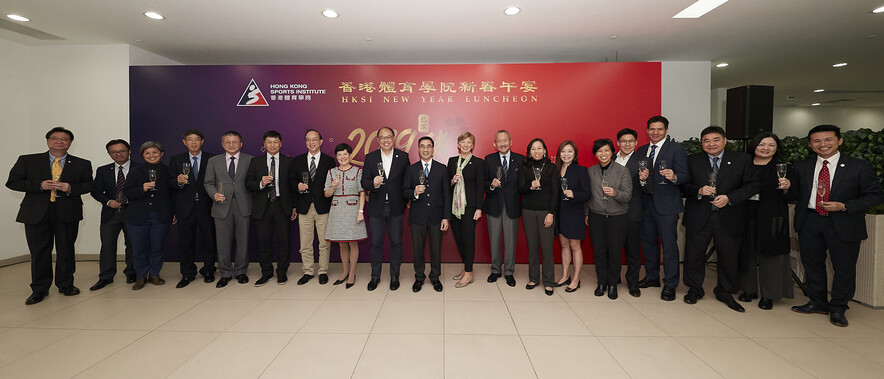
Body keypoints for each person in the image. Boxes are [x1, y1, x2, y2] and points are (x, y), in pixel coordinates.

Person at [791, 124, 884, 327]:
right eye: (817, 141)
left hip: (844, 221)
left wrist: (845, 206)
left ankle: (839, 307)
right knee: (812, 264)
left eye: (827, 140)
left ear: (839, 141)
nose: (822, 144)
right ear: (810, 144)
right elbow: (795, 195)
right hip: (810, 220)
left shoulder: (859, 166)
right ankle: (817, 302)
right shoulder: (801, 166)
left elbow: (876, 195)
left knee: (844, 268)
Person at [6, 127, 93, 305]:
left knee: (66, 249)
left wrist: (70, 188)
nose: (59, 142)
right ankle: (39, 289)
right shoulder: (28, 160)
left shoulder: (82, 163)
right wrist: (39, 185)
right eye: (55, 138)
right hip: (36, 213)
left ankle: (66, 284)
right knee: (39, 252)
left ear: (70, 143)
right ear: (47, 141)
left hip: (67, 211)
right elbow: (13, 182)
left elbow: (88, 185)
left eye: (64, 139)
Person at [681, 126, 759, 312]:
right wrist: (698, 191)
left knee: (729, 256)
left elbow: (753, 184)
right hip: (699, 215)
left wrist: (729, 198)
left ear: (725, 140)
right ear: (702, 143)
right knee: (694, 254)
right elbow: (683, 185)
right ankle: (694, 289)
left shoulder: (742, 160)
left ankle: (725, 291)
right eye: (706, 140)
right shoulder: (692, 160)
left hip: (729, 216)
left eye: (716, 139)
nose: (711, 144)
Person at [737, 132, 796, 310]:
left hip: (771, 216)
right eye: (762, 144)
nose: (766, 148)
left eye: (771, 145)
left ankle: (769, 294)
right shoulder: (743, 164)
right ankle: (748, 290)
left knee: (771, 255)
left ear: (777, 148)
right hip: (745, 214)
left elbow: (793, 196)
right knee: (746, 253)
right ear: (754, 145)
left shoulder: (782, 168)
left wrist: (787, 188)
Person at [635, 115, 689, 301]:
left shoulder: (676, 149)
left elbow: (685, 176)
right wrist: (641, 179)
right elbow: (639, 177)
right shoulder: (642, 150)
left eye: (659, 129)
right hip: (646, 203)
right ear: (647, 130)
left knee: (669, 245)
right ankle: (652, 277)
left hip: (667, 205)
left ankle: (670, 284)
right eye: (652, 129)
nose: (655, 132)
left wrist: (674, 177)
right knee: (648, 242)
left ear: (666, 130)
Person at [361, 126, 410, 291]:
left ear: (393, 138)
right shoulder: (371, 157)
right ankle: (375, 276)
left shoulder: (403, 157)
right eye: (382, 137)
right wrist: (372, 184)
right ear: (377, 140)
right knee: (376, 243)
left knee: (396, 242)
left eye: (388, 137)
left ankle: (394, 276)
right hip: (376, 208)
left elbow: (407, 181)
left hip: (396, 207)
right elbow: (364, 182)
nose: (385, 140)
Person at [246, 130, 297, 286]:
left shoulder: (289, 161)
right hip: (263, 206)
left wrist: (294, 206)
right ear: (264, 144)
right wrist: (261, 183)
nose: (272, 145)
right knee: (264, 242)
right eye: (269, 142)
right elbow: (248, 183)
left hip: (282, 206)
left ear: (281, 143)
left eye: (275, 142)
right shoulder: (256, 162)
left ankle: (282, 272)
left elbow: (293, 184)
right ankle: (266, 272)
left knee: (284, 241)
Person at [204, 131, 254, 288]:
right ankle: (225, 272)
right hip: (221, 206)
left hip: (243, 206)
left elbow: (253, 181)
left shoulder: (250, 160)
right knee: (223, 242)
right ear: (223, 144)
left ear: (241, 143)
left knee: (243, 241)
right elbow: (208, 182)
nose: (231, 144)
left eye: (235, 142)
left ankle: (240, 271)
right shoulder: (214, 161)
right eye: (228, 142)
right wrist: (214, 195)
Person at [169, 129, 217, 287]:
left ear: (202, 141)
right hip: (185, 207)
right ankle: (187, 273)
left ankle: (209, 270)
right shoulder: (176, 159)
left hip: (207, 206)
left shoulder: (212, 158)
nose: (194, 142)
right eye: (190, 139)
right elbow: (169, 183)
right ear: (184, 142)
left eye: (197, 139)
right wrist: (178, 181)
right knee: (186, 242)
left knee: (209, 241)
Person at [89, 139, 138, 291]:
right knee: (107, 245)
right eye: (114, 152)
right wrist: (109, 201)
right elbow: (95, 191)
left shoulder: (140, 168)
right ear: (109, 154)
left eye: (122, 151)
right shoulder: (103, 170)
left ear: (129, 151)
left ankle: (132, 273)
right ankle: (105, 276)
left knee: (132, 244)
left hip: (133, 213)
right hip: (110, 214)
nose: (118, 154)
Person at [124, 141, 174, 290]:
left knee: (157, 247)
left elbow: (173, 195)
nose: (151, 155)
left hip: (161, 215)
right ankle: (140, 276)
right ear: (142, 156)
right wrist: (142, 189)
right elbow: (127, 193)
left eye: (155, 152)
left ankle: (154, 274)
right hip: (137, 216)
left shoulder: (168, 171)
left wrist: (173, 212)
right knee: (139, 247)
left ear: (162, 153)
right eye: (147, 153)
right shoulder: (135, 171)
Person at [585, 139, 632, 299]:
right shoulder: (590, 171)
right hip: (596, 216)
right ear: (595, 154)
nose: (603, 154)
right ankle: (601, 283)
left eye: (606, 150)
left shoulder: (622, 171)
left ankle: (613, 284)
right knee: (598, 252)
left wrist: (615, 193)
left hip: (617, 217)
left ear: (612, 152)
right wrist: (586, 213)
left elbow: (627, 196)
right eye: (599, 151)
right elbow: (588, 196)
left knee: (615, 252)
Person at [406, 137, 451, 292]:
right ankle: (419, 278)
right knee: (418, 249)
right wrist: (414, 193)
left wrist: (446, 217)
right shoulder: (411, 169)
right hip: (417, 217)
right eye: (422, 146)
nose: (425, 149)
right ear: (418, 149)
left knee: (435, 248)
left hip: (437, 217)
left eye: (428, 146)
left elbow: (446, 194)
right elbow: (404, 191)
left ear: (433, 149)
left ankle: (435, 277)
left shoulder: (442, 168)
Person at [293, 129, 335, 285]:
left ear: (321, 141)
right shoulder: (297, 161)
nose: (311, 143)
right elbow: (290, 181)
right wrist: (297, 186)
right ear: (305, 142)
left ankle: (323, 271)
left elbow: (331, 183)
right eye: (308, 140)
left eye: (314, 139)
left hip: (323, 207)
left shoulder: (329, 161)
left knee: (324, 243)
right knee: (305, 243)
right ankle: (308, 271)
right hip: (304, 207)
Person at [483, 130, 524, 287]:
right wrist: (491, 185)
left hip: (513, 205)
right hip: (494, 205)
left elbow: (523, 183)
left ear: (511, 141)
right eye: (499, 141)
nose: (502, 143)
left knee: (510, 241)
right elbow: (484, 182)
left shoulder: (520, 159)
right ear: (495, 144)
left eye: (505, 140)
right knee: (494, 240)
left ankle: (509, 272)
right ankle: (495, 270)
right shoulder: (489, 159)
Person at [324, 143, 367, 289]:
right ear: (336, 157)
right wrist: (333, 187)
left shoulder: (357, 171)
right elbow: (326, 194)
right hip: (337, 210)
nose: (342, 157)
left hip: (352, 209)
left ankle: (352, 273)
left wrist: (360, 212)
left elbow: (362, 192)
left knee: (352, 242)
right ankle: (345, 271)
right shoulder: (331, 172)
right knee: (342, 242)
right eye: (339, 154)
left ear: (350, 155)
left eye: (345, 154)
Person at [520, 138, 559, 296]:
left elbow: (556, 192)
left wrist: (551, 212)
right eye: (533, 149)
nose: (536, 151)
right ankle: (534, 278)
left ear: (545, 150)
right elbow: (520, 189)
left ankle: (549, 281)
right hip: (528, 211)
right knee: (532, 246)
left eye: (539, 148)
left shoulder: (551, 168)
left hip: (545, 212)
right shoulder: (525, 167)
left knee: (547, 248)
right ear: (529, 152)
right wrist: (530, 186)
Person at [448, 131, 485, 288]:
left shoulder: (478, 163)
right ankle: (466, 267)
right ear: (458, 144)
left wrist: (479, 208)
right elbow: (446, 186)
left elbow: (480, 187)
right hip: (454, 207)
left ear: (473, 146)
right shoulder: (451, 161)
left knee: (468, 240)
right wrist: (452, 181)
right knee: (459, 239)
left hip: (470, 208)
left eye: (469, 143)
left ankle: (469, 273)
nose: (465, 145)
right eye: (463, 142)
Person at [553, 140, 590, 293]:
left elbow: (587, 194)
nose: (566, 154)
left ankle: (576, 278)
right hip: (560, 213)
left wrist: (574, 194)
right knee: (564, 245)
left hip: (574, 213)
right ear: (559, 154)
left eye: (569, 151)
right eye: (563, 151)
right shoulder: (555, 169)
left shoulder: (581, 170)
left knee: (575, 247)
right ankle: (565, 275)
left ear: (574, 154)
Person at [614, 128, 644, 297]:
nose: (627, 144)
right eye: (623, 141)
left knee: (632, 249)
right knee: (613, 247)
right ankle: (614, 278)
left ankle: (633, 282)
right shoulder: (610, 159)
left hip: (633, 211)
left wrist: (644, 180)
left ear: (636, 142)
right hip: (611, 211)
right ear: (618, 143)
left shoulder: (642, 161)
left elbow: (649, 187)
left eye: (631, 141)